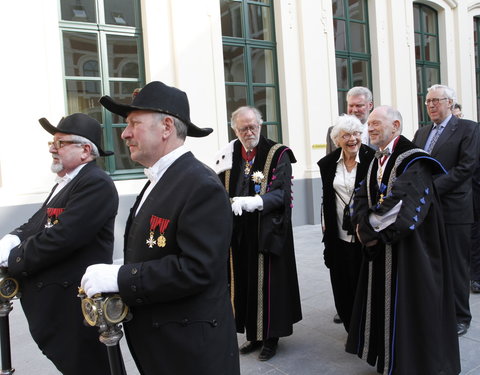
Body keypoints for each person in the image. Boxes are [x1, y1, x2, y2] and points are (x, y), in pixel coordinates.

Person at [81, 81, 240, 375]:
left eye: (133, 123)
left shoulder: (199, 184)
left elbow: (197, 268)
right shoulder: (163, 177)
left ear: (166, 126)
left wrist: (120, 277)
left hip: (190, 351)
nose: (125, 133)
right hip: (164, 341)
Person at [0, 113, 118, 375]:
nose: (53, 148)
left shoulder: (95, 183)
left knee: (88, 367)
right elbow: (38, 222)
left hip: (72, 307)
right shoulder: (67, 181)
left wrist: (14, 258)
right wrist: (13, 237)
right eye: (52, 142)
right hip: (56, 305)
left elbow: (64, 236)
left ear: (85, 150)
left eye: (61, 143)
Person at [346, 105, 460, 375]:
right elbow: (361, 193)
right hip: (383, 245)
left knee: (412, 305)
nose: (369, 128)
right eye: (369, 124)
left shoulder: (415, 160)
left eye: (376, 123)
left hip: (412, 248)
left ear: (395, 126)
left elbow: (403, 206)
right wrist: (360, 224)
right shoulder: (377, 159)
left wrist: (370, 232)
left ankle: (413, 364)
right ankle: (389, 359)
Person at [214, 106, 302, 361]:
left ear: (260, 125)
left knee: (268, 285)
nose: (249, 132)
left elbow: (281, 192)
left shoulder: (278, 153)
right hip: (239, 233)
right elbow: (218, 189)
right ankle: (253, 334)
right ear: (235, 129)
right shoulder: (228, 156)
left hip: (267, 229)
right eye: (243, 128)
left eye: (253, 126)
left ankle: (271, 338)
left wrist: (255, 202)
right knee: (244, 283)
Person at [412, 84, 479, 336]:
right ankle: (437, 311)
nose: (430, 105)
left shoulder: (468, 128)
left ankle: (461, 316)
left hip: (454, 209)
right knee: (431, 264)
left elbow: (466, 167)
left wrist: (430, 188)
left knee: (456, 266)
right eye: (428, 101)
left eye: (436, 101)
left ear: (450, 103)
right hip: (426, 210)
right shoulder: (421, 133)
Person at [317, 115, 375, 332]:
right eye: (346, 135)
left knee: (366, 282)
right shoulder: (328, 163)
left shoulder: (372, 159)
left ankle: (368, 329)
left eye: (356, 134)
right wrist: (325, 224)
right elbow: (326, 197)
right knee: (342, 283)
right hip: (338, 234)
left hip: (365, 234)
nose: (352, 139)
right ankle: (351, 328)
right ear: (337, 140)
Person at [326, 86, 374, 154]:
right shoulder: (333, 131)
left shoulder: (380, 131)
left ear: (370, 105)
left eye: (359, 105)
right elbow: (330, 162)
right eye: (351, 106)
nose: (354, 110)